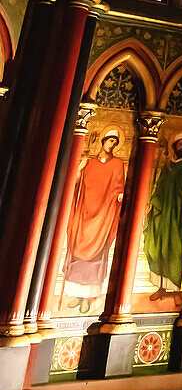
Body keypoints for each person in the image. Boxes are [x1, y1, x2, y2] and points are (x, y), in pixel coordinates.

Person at [64, 127, 126, 314]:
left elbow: (118, 187)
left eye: (115, 142)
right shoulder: (88, 163)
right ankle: (76, 295)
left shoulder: (117, 165)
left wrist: (120, 195)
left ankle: (87, 298)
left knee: (96, 256)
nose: (112, 145)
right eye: (110, 141)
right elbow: (74, 184)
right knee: (77, 254)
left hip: (102, 217)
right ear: (103, 141)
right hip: (84, 215)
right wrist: (78, 170)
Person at [143, 132, 182, 303]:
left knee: (173, 248)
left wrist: (172, 176)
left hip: (175, 214)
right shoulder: (166, 165)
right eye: (178, 145)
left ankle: (175, 290)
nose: (180, 148)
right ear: (174, 147)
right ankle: (161, 287)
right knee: (156, 246)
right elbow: (159, 186)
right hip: (162, 212)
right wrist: (153, 201)